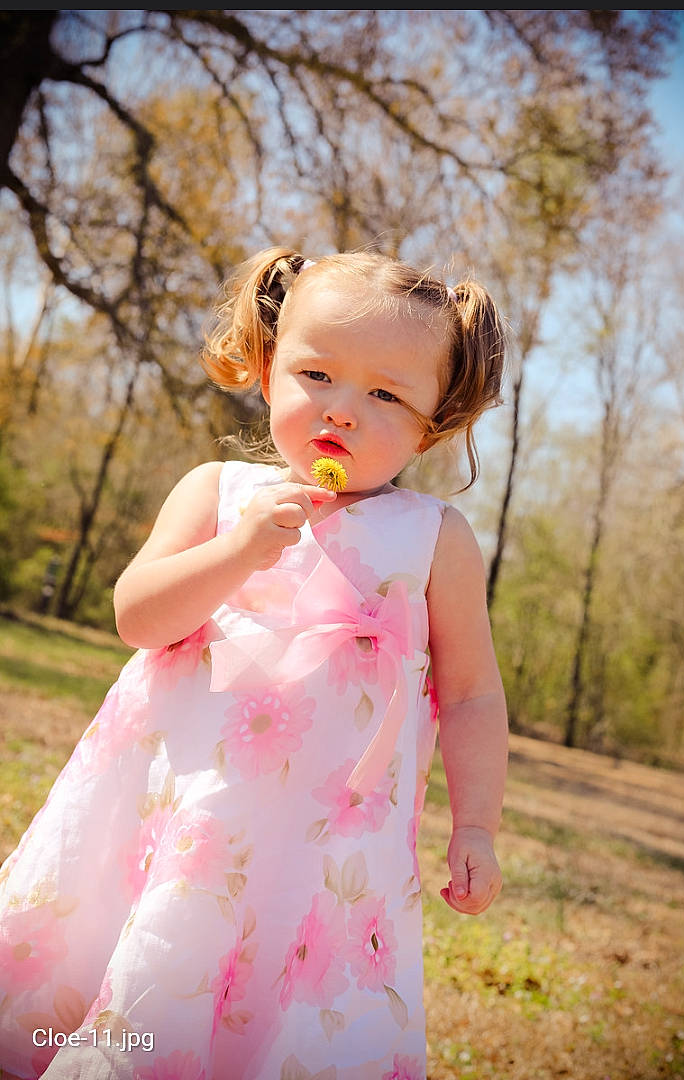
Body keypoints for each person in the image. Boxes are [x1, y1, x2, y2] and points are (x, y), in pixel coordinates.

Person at [0, 247, 509, 1079]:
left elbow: (474, 694)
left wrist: (478, 824)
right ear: (270, 372)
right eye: (318, 373)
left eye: (385, 393)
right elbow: (138, 616)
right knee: (151, 957)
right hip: (180, 811)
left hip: (321, 841)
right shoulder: (219, 492)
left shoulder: (435, 541)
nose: (342, 410)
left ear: (434, 422)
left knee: (273, 1004)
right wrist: (237, 552)